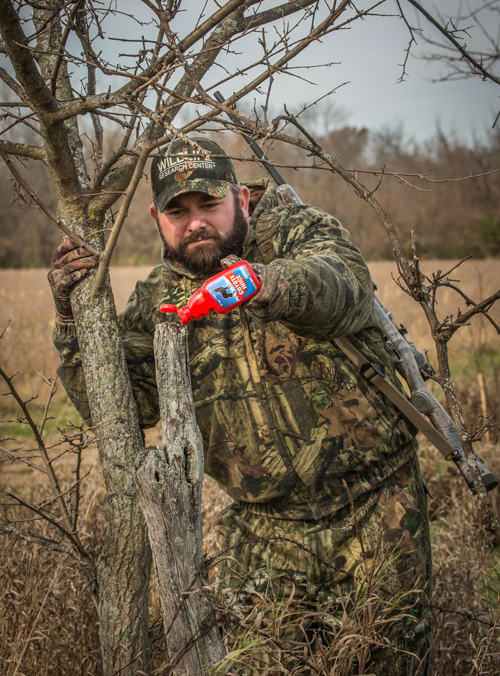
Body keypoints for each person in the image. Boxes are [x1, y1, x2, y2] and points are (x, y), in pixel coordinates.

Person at [48, 136, 433, 674]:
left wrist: (267, 284)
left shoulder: (297, 230)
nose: (196, 223)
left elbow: (343, 284)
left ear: (242, 200)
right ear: (157, 218)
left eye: (209, 204)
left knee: (393, 659)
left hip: (375, 507)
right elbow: (120, 410)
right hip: (261, 528)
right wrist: (70, 320)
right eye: (178, 211)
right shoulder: (156, 299)